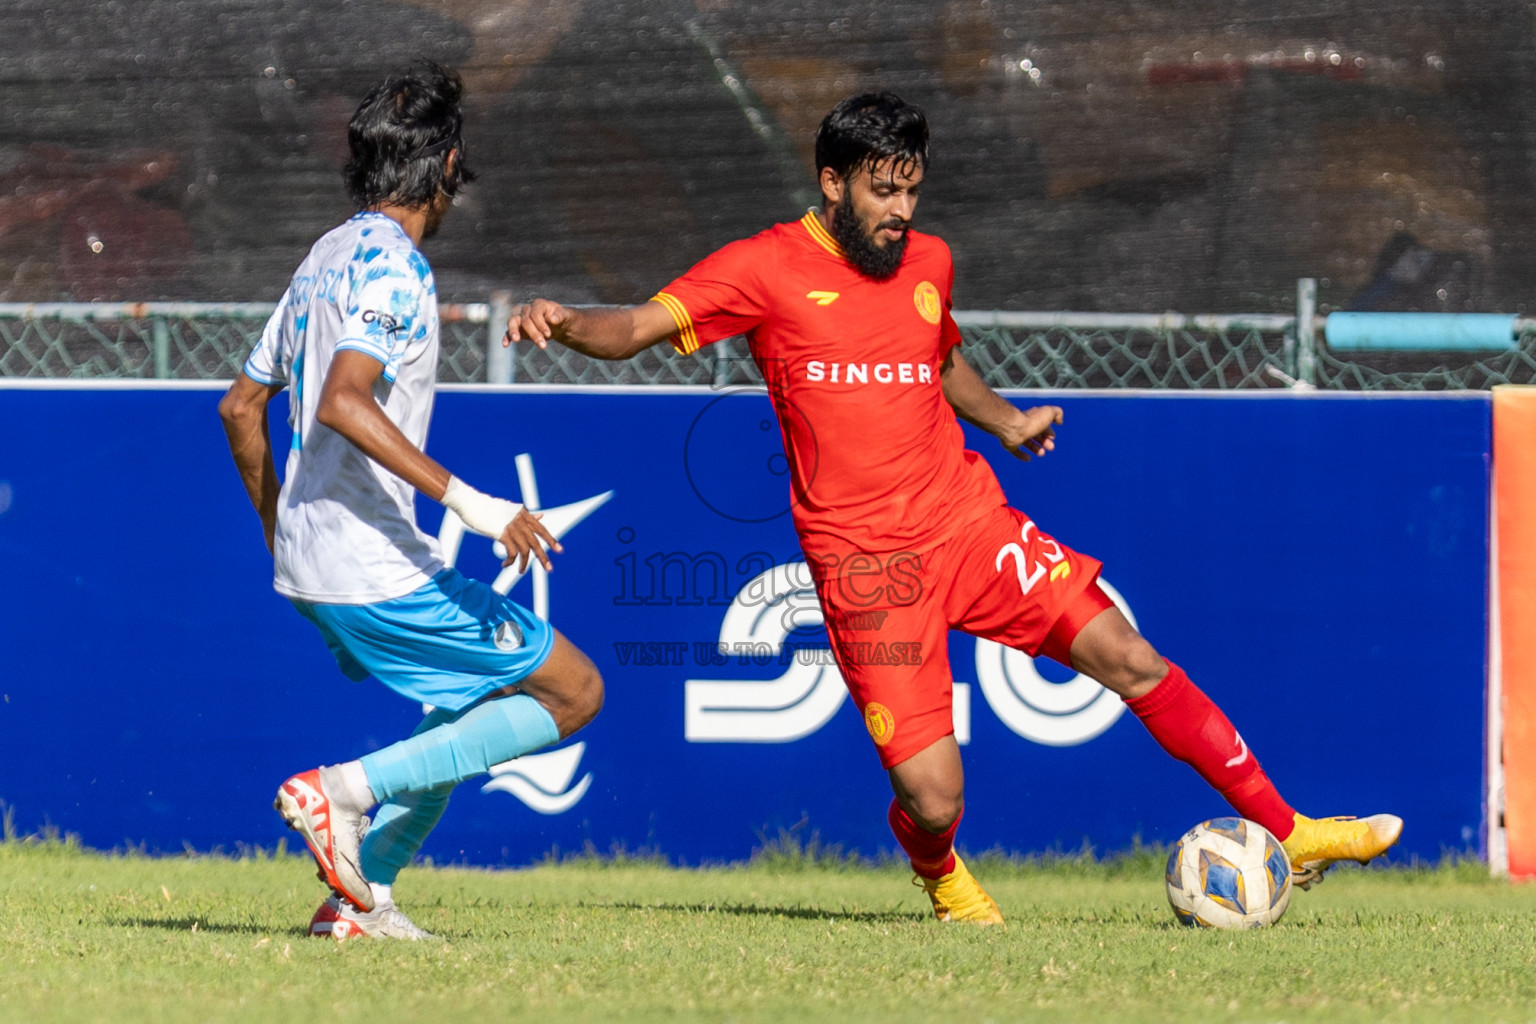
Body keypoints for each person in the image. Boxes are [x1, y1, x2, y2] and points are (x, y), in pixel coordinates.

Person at [504, 92, 1400, 924]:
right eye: (882, 191)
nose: (901, 212)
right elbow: (631, 330)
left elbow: (935, 359)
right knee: (936, 798)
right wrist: (564, 318)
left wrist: (1007, 422)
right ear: (832, 182)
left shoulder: (928, 261)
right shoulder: (764, 268)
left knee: (1130, 655)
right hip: (866, 566)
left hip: (968, 522)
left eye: (912, 192)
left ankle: (1291, 827)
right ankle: (936, 869)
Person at [218, 62, 602, 941]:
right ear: (448, 166)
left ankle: (362, 902)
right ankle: (339, 793)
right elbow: (342, 400)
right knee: (574, 692)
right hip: (371, 563)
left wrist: (282, 537)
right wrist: (475, 504)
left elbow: (240, 408)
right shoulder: (397, 272)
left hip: (312, 564)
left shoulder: (324, 257)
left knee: (463, 715)